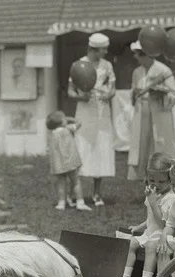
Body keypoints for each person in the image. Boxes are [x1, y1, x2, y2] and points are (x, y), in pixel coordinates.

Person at [67, 32, 117, 207]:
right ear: (94, 50)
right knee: (81, 149)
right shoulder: (78, 65)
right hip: (85, 111)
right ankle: (74, 193)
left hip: (102, 112)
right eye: (103, 50)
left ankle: (97, 194)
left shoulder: (107, 65)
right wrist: (82, 98)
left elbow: (112, 88)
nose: (105, 53)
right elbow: (70, 91)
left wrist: (107, 95)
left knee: (100, 149)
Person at [120, 152, 175, 277]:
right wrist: (138, 228)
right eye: (152, 181)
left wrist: (153, 203)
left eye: (161, 182)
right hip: (150, 233)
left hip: (163, 236)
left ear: (170, 180)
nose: (156, 184)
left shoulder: (170, 198)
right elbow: (150, 219)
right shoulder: (153, 194)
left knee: (151, 246)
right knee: (131, 242)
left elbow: (164, 224)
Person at [127, 40, 175, 183]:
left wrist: (160, 93)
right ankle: (147, 181)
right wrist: (135, 93)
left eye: (138, 54)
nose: (136, 58)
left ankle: (165, 180)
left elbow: (174, 95)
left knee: (161, 143)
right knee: (142, 146)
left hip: (159, 112)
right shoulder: (137, 72)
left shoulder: (164, 71)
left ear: (146, 55)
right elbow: (133, 92)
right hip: (142, 112)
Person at [45, 110, 91, 212]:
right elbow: (79, 123)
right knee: (75, 181)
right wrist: (71, 118)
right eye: (64, 118)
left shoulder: (51, 133)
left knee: (61, 182)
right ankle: (80, 202)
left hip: (58, 163)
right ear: (62, 122)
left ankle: (61, 203)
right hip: (70, 161)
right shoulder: (68, 129)